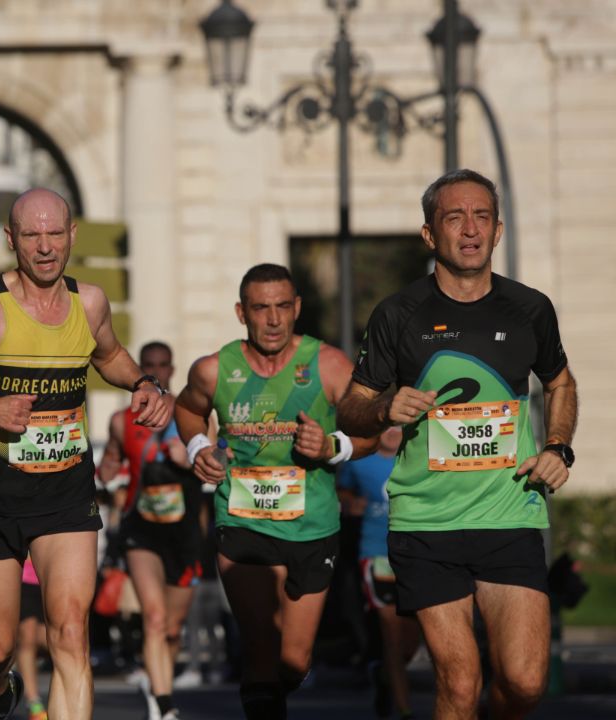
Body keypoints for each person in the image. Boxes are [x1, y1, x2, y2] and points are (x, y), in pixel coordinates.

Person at [0, 187, 173, 720]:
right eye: (32, 235)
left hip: (67, 494)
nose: (46, 247)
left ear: (73, 235)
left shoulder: (89, 301)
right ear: (11, 240)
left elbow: (111, 354)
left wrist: (142, 382)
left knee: (70, 630)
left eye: (56, 234)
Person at [336, 168, 579, 719]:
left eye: (482, 217)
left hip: (509, 512)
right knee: (460, 681)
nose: (470, 229)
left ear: (496, 232)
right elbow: (351, 407)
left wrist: (558, 446)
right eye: (454, 217)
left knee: (524, 682)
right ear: (429, 234)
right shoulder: (399, 314)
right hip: (426, 522)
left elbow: (560, 381)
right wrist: (381, 408)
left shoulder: (530, 309)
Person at [174, 263, 375, 719]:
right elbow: (186, 409)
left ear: (297, 308)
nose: (273, 319)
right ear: (241, 312)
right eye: (261, 308)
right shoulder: (214, 369)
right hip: (241, 519)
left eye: (283, 307)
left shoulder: (329, 365)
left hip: (312, 525)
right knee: (262, 647)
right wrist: (198, 445)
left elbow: (371, 431)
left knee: (293, 660)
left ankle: (272, 689)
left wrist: (332, 447)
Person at [99, 341, 201, 720]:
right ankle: (165, 703)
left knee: (172, 628)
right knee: (154, 618)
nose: (157, 372)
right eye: (149, 366)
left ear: (173, 370)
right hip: (141, 529)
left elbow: (218, 460)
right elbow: (109, 462)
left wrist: (190, 459)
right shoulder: (121, 420)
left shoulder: (193, 411)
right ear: (140, 370)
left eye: (163, 365)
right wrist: (107, 470)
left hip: (185, 531)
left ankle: (161, 687)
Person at [337, 426, 420, 719]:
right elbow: (342, 490)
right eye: (387, 425)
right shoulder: (359, 461)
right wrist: (349, 503)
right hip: (376, 555)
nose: (393, 432)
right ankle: (405, 711)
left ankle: (383, 676)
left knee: (410, 644)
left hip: (416, 557)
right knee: (393, 638)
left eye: (399, 425)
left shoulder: (418, 457)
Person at [16, 559, 48, 720]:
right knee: (28, 636)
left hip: (50, 576)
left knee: (48, 640)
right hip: (23, 577)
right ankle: (34, 702)